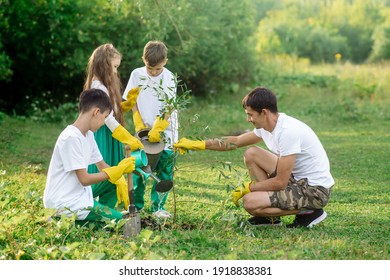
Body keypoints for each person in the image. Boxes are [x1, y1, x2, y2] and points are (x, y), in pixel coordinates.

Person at [174, 87, 334, 228]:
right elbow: (235, 142)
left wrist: (248, 187)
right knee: (252, 153)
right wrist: (199, 144)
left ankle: (311, 212)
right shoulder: (268, 125)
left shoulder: (288, 132)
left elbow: (280, 182)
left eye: (250, 115)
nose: (248, 119)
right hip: (297, 178)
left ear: (264, 112)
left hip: (314, 190)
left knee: (250, 202)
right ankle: (271, 218)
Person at [43, 88, 136, 222]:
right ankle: (97, 218)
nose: (104, 122)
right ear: (96, 112)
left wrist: (119, 176)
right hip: (65, 202)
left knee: (114, 182)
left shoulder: (88, 135)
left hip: (78, 194)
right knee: (121, 221)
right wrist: (115, 171)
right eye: (104, 117)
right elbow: (84, 179)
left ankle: (101, 215)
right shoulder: (70, 138)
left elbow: (103, 166)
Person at [84, 43, 143, 212]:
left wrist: (125, 105)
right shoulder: (98, 86)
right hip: (104, 132)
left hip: (112, 133)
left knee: (115, 172)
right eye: (114, 67)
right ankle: (82, 202)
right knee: (106, 172)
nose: (116, 71)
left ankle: (105, 213)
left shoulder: (105, 84)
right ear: (104, 64)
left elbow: (111, 109)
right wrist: (125, 136)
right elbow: (107, 117)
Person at [122, 41, 178, 219]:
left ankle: (158, 208)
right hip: (143, 131)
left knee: (164, 169)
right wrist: (138, 121)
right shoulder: (136, 74)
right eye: (149, 68)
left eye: (157, 69)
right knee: (139, 168)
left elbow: (169, 107)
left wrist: (159, 128)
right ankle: (136, 206)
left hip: (167, 131)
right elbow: (132, 100)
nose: (153, 72)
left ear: (165, 61)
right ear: (143, 60)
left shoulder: (169, 78)